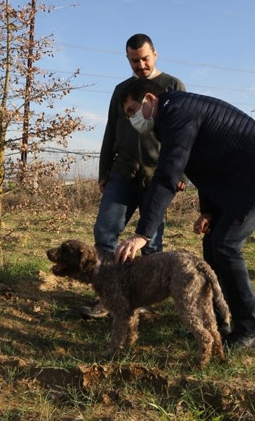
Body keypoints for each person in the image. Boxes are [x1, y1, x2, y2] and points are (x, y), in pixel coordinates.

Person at [114, 78, 255, 350]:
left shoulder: (177, 113)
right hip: (237, 178)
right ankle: (217, 324)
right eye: (128, 115)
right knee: (212, 247)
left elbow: (168, 176)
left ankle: (249, 330)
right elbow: (206, 166)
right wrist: (208, 212)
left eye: (133, 110)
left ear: (150, 100)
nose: (133, 119)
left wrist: (142, 234)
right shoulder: (175, 113)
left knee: (226, 246)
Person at [81, 34, 186, 319]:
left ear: (155, 54)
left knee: (151, 242)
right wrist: (104, 172)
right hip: (122, 172)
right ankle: (109, 296)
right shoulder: (121, 90)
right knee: (104, 231)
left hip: (158, 175)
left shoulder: (173, 86)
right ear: (127, 59)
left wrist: (181, 174)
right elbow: (111, 131)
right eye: (134, 60)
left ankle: (145, 301)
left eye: (144, 58)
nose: (140, 65)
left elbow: (184, 136)